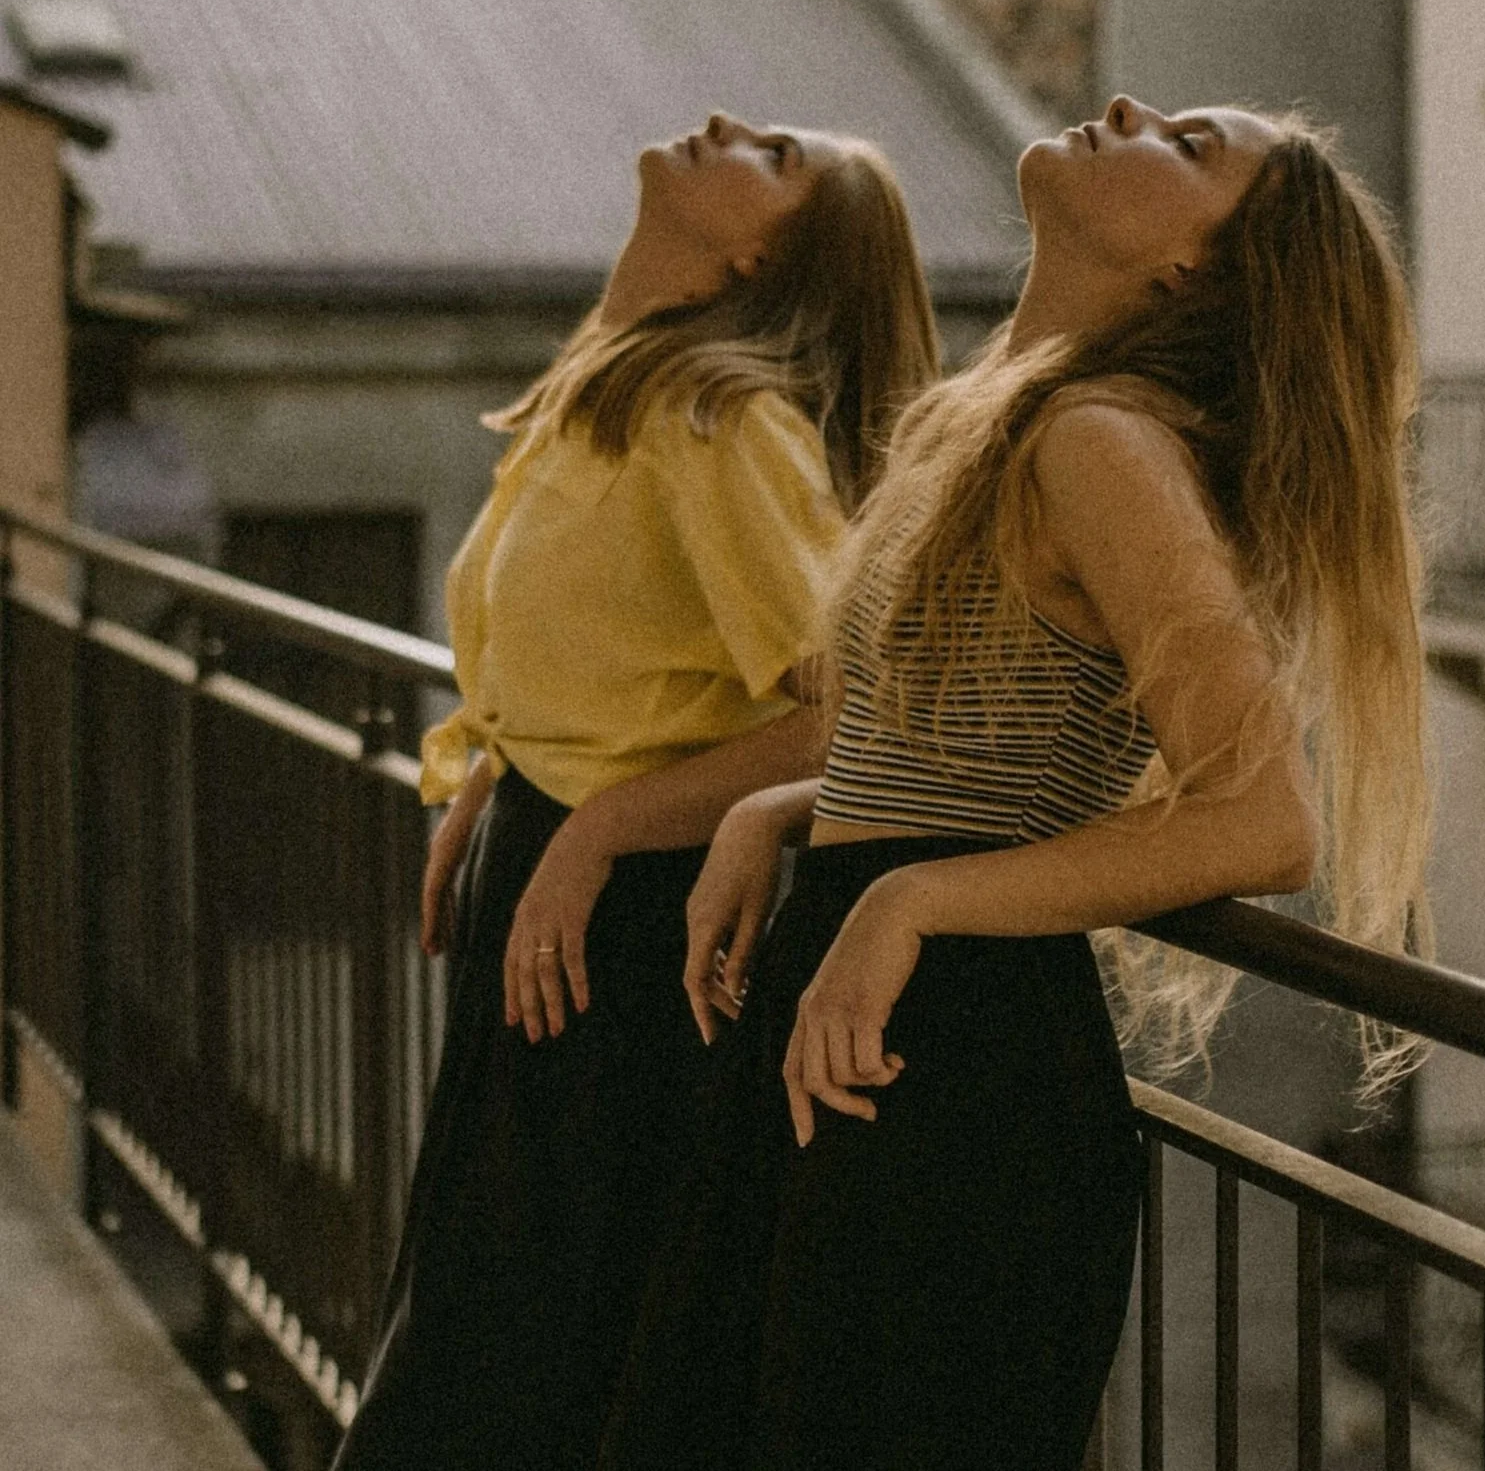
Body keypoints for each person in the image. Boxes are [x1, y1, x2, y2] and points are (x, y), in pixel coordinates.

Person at [599, 96, 1432, 1471]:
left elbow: (1268, 820)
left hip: (954, 1070)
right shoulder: (1008, 419)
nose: (1126, 110)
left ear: (1191, 276)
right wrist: (784, 812)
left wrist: (905, 900)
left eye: (1188, 146)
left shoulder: (1102, 444)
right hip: (882, 1023)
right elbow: (979, 748)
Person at [331, 112, 940, 1471]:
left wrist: (597, 824)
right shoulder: (621, 389)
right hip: (560, 894)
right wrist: (504, 774)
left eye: (777, 159)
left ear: (757, 266)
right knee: (492, 1332)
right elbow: (615, 652)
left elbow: (852, 724)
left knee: (527, 1360)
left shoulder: (716, 422)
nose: (732, 125)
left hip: (634, 924)